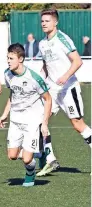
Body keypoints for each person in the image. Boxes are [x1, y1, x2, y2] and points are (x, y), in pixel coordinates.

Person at [37, 8, 91, 176]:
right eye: (42, 21)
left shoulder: (62, 39)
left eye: (47, 21)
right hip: (52, 89)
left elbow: (77, 61)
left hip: (68, 88)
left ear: (55, 22)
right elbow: (45, 66)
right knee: (40, 121)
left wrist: (65, 76)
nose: (44, 24)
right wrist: (39, 82)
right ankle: (51, 160)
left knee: (78, 124)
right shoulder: (42, 43)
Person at [0, 43, 52, 187]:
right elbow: (12, 95)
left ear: (20, 59)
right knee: (12, 156)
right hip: (16, 119)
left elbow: (48, 99)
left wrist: (45, 123)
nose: (8, 61)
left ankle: (30, 174)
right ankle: (40, 153)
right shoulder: (7, 74)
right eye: (7, 58)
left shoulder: (34, 78)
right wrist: (4, 115)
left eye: (11, 58)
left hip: (32, 121)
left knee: (27, 159)